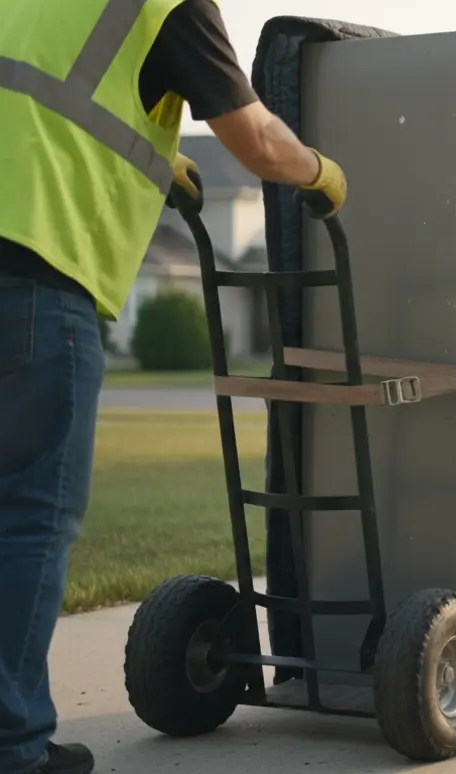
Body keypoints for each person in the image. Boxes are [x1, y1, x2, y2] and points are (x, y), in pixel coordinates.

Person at [0, 1, 347, 772]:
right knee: (26, 520)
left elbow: (38, 119)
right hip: (36, 278)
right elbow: (256, 138)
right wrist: (321, 172)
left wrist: (151, 162)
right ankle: (11, 749)